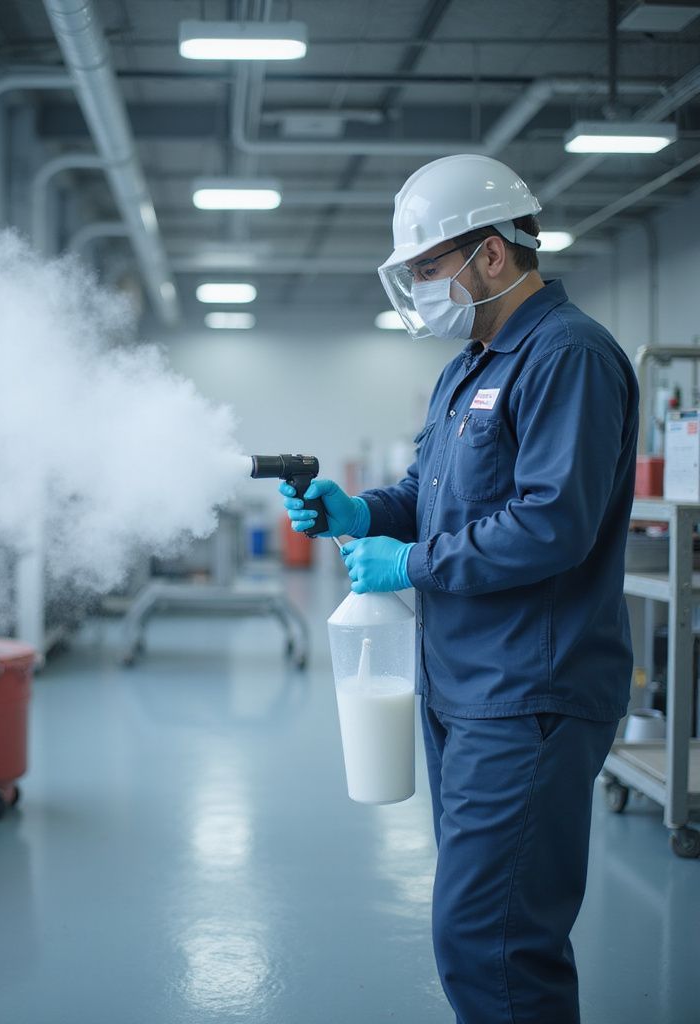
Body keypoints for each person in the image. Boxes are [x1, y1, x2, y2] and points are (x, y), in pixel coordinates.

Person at [282, 154, 639, 1024]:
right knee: (485, 925)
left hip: (529, 693)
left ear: (492, 253)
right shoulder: (467, 367)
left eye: (428, 267)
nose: (420, 289)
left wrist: (410, 564)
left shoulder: (567, 357)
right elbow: (429, 493)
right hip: (465, 688)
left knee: (492, 939)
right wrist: (361, 511)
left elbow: (552, 524)